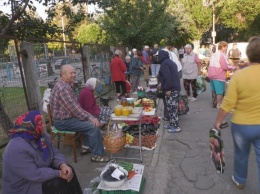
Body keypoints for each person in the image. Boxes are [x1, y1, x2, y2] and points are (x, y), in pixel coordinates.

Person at [213, 36, 260, 191]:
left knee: (241, 154)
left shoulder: (239, 76)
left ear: (248, 54)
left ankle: (240, 180)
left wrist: (218, 121)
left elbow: (228, 102)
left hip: (242, 125)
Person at [2, 110, 82, 194]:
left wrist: (62, 164)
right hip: (25, 186)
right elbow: (34, 174)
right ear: (33, 126)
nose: (45, 125)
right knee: (56, 184)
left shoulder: (40, 136)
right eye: (42, 123)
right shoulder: (16, 148)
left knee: (69, 171)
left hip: (41, 174)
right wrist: (58, 173)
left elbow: (54, 152)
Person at [49, 65, 109, 162]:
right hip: (62, 122)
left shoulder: (65, 85)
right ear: (63, 75)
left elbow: (75, 108)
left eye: (74, 72)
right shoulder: (63, 89)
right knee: (92, 125)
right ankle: (97, 155)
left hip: (68, 118)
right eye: (71, 73)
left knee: (91, 122)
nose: (74, 75)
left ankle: (89, 147)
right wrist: (90, 117)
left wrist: (89, 117)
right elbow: (75, 109)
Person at [208, 41, 237, 108]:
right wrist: (234, 67)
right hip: (219, 75)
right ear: (223, 47)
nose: (226, 48)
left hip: (212, 75)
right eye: (226, 47)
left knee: (214, 90)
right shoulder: (221, 55)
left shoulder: (214, 54)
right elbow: (225, 66)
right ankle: (219, 104)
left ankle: (214, 103)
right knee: (220, 91)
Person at [158, 49, 181, 133]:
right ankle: (171, 123)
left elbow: (167, 77)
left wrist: (167, 88)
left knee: (172, 108)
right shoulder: (170, 62)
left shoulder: (164, 64)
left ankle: (176, 126)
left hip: (172, 89)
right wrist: (162, 84)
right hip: (174, 88)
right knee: (170, 107)